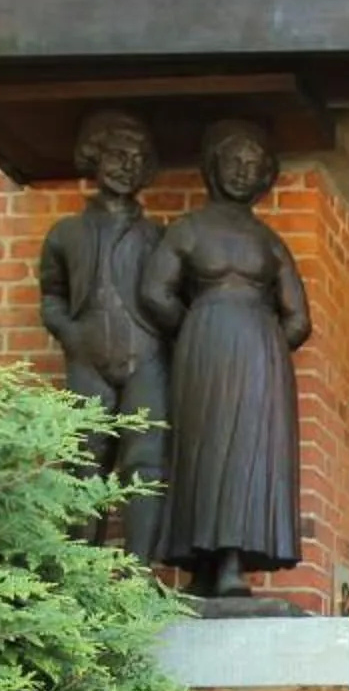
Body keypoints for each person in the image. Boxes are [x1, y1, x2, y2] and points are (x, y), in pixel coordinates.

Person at [140, 116, 312, 600]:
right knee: (202, 446)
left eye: (254, 165)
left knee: (247, 453)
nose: (243, 171)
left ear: (264, 176)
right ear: (214, 166)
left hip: (260, 355)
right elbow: (155, 292)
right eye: (234, 160)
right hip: (203, 349)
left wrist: (267, 347)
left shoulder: (267, 241)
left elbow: (298, 316)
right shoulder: (188, 229)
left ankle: (235, 559)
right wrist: (197, 330)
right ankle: (199, 559)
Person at [35, 105, 168, 563]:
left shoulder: (157, 236)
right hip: (87, 356)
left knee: (146, 461)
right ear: (94, 158)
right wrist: (69, 333)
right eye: (117, 153)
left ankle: (139, 571)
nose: (127, 164)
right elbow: (51, 292)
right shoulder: (66, 233)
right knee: (85, 459)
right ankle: (79, 571)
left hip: (146, 358)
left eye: (137, 157)